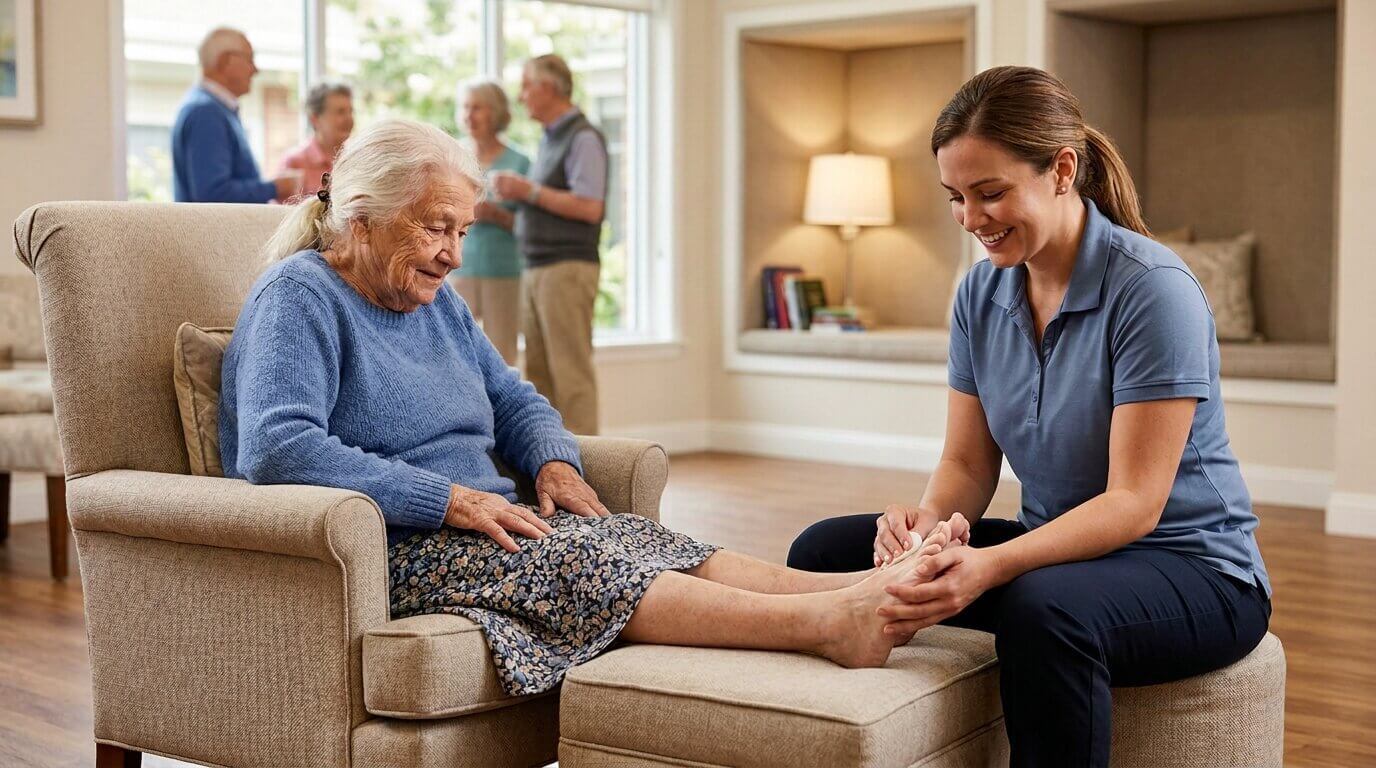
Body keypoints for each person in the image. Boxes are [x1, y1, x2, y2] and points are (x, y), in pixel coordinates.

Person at [220, 118, 967, 697]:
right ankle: (829, 625)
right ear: (360, 218)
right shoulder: (302, 297)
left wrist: (553, 459)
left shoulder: (435, 302)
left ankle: (861, 589)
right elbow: (277, 444)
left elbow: (513, 396)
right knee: (578, 558)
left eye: (461, 231)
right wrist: (445, 498)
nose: (452, 253)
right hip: (392, 545)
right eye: (434, 227)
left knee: (638, 536)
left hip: (479, 521)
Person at [787, 66, 1271, 768]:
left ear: (1062, 170)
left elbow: (1134, 504)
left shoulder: (1152, 291)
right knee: (825, 551)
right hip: (1061, 551)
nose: (971, 219)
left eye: (990, 193)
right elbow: (966, 464)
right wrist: (926, 531)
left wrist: (987, 566)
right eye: (956, 197)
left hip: (1194, 570)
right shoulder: (979, 294)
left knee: (1046, 610)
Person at [492, 54, 606, 435]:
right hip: (539, 266)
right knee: (539, 377)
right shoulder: (551, 139)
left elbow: (590, 206)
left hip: (566, 268)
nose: (521, 96)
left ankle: (594, 471)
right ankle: (551, 463)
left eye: (526, 86)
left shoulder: (583, 137)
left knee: (571, 375)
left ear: (548, 88)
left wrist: (528, 191)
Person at [449, 79, 529, 365]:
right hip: (458, 266)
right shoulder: (453, 158)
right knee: (456, 353)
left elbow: (529, 228)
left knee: (501, 357)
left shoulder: (520, 162)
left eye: (478, 108)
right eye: (465, 107)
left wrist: (494, 214)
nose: (469, 116)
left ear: (495, 113)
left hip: (503, 270)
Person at [172, 28, 298, 204]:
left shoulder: (213, 109)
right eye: (249, 59)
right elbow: (212, 194)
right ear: (225, 61)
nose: (255, 70)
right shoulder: (206, 113)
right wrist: (275, 187)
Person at [277, 82, 354, 201]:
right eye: (340, 112)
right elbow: (281, 216)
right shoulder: (294, 163)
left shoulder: (356, 160)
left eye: (350, 111)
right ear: (315, 119)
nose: (349, 118)